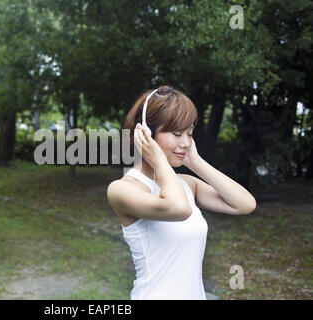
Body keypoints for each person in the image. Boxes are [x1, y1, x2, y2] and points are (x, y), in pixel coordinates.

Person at [106, 85, 257, 300]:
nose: (185, 143)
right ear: (146, 133)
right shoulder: (122, 190)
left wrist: (195, 161)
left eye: (190, 133)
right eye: (177, 133)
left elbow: (245, 204)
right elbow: (179, 209)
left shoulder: (186, 184)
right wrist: (158, 159)